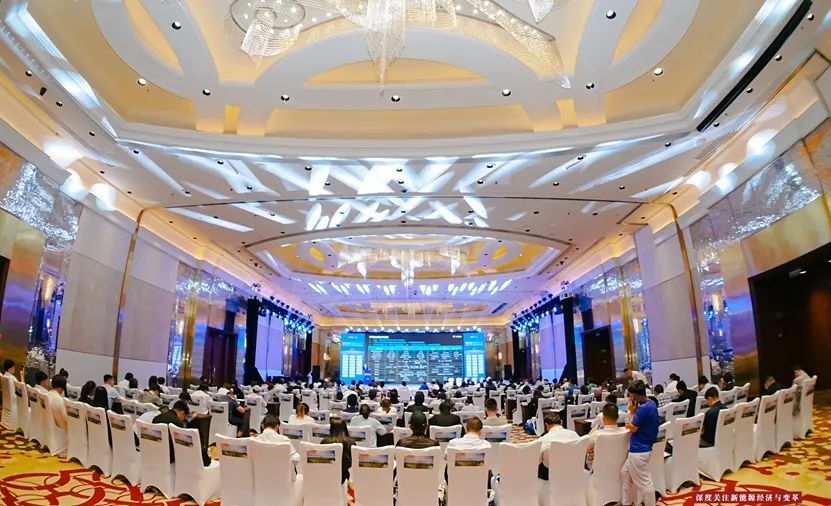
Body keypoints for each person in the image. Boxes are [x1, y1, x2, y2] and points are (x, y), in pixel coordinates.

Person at [621, 381, 658, 506]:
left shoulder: (642, 409)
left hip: (638, 450)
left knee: (645, 484)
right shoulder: (651, 403)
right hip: (644, 448)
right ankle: (626, 502)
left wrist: (631, 412)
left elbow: (633, 428)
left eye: (631, 396)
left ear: (635, 396)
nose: (630, 398)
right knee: (624, 472)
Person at [153, 401, 212, 467]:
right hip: (171, 457)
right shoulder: (177, 423)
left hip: (156, 453)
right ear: (182, 413)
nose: (183, 419)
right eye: (184, 417)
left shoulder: (157, 418)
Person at [537, 412, 579, 480]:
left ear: (546, 425)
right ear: (561, 422)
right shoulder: (574, 434)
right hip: (573, 470)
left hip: (550, 474)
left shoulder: (543, 440)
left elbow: (536, 460)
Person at [585, 404, 628, 470]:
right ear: (617, 417)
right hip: (619, 467)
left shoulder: (596, 434)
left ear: (603, 418)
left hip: (598, 469)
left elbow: (584, 448)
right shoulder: (626, 432)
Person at [320, 417, 355, 484]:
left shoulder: (324, 442)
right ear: (344, 428)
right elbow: (353, 462)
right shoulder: (351, 442)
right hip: (345, 477)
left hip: (327, 476)